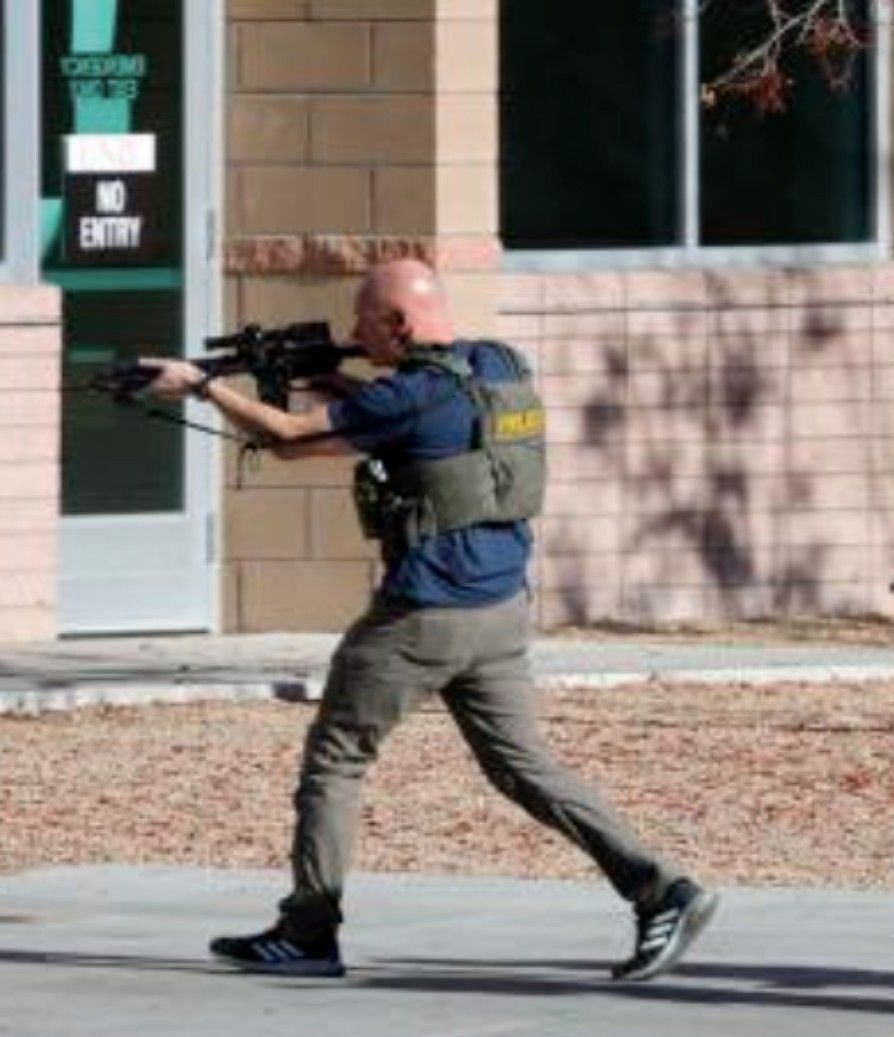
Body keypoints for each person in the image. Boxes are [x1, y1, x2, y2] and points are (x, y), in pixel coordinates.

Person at [141, 259, 716, 980]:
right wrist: (341, 383)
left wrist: (201, 387)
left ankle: (309, 931)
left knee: (337, 758)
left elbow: (290, 437)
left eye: (364, 323)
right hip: (500, 610)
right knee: (526, 769)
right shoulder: (500, 364)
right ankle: (662, 889)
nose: (354, 334)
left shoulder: (410, 395)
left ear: (400, 325)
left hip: (423, 615)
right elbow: (418, 422)